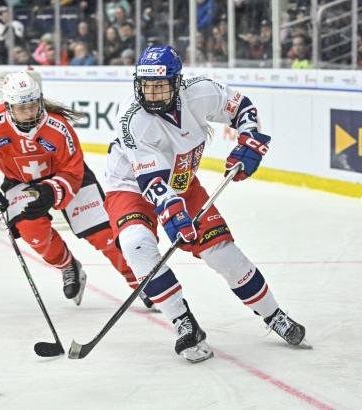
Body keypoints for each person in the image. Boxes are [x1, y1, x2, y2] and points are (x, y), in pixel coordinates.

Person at [103, 45, 308, 363]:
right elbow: (152, 182)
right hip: (130, 185)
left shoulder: (199, 92)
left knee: (223, 253)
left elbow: (242, 108)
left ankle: (274, 315)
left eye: (160, 85)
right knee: (137, 245)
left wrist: (249, 138)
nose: (152, 93)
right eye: (146, 85)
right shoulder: (133, 120)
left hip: (181, 181)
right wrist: (173, 215)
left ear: (176, 82)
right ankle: (182, 322)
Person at [0, 72, 141, 306]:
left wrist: (51, 191)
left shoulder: (58, 127)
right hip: (20, 181)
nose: (29, 113)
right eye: (21, 107)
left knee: (103, 235)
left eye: (33, 105)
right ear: (8, 106)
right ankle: (69, 266)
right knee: (31, 232)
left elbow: (73, 170)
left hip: (69, 178)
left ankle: (141, 283)